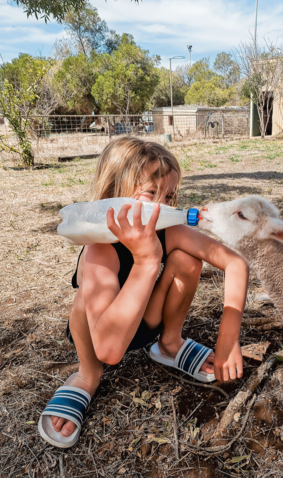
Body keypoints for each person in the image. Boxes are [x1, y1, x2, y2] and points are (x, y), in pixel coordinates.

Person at [38, 137, 248, 448]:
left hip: (145, 323)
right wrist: (147, 260)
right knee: (85, 296)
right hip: (100, 338)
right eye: (151, 194)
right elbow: (110, 350)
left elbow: (235, 262)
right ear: (112, 196)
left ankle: (169, 344)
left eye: (170, 195)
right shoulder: (99, 250)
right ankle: (86, 376)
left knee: (188, 261)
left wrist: (229, 334)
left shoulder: (169, 230)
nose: (162, 206)